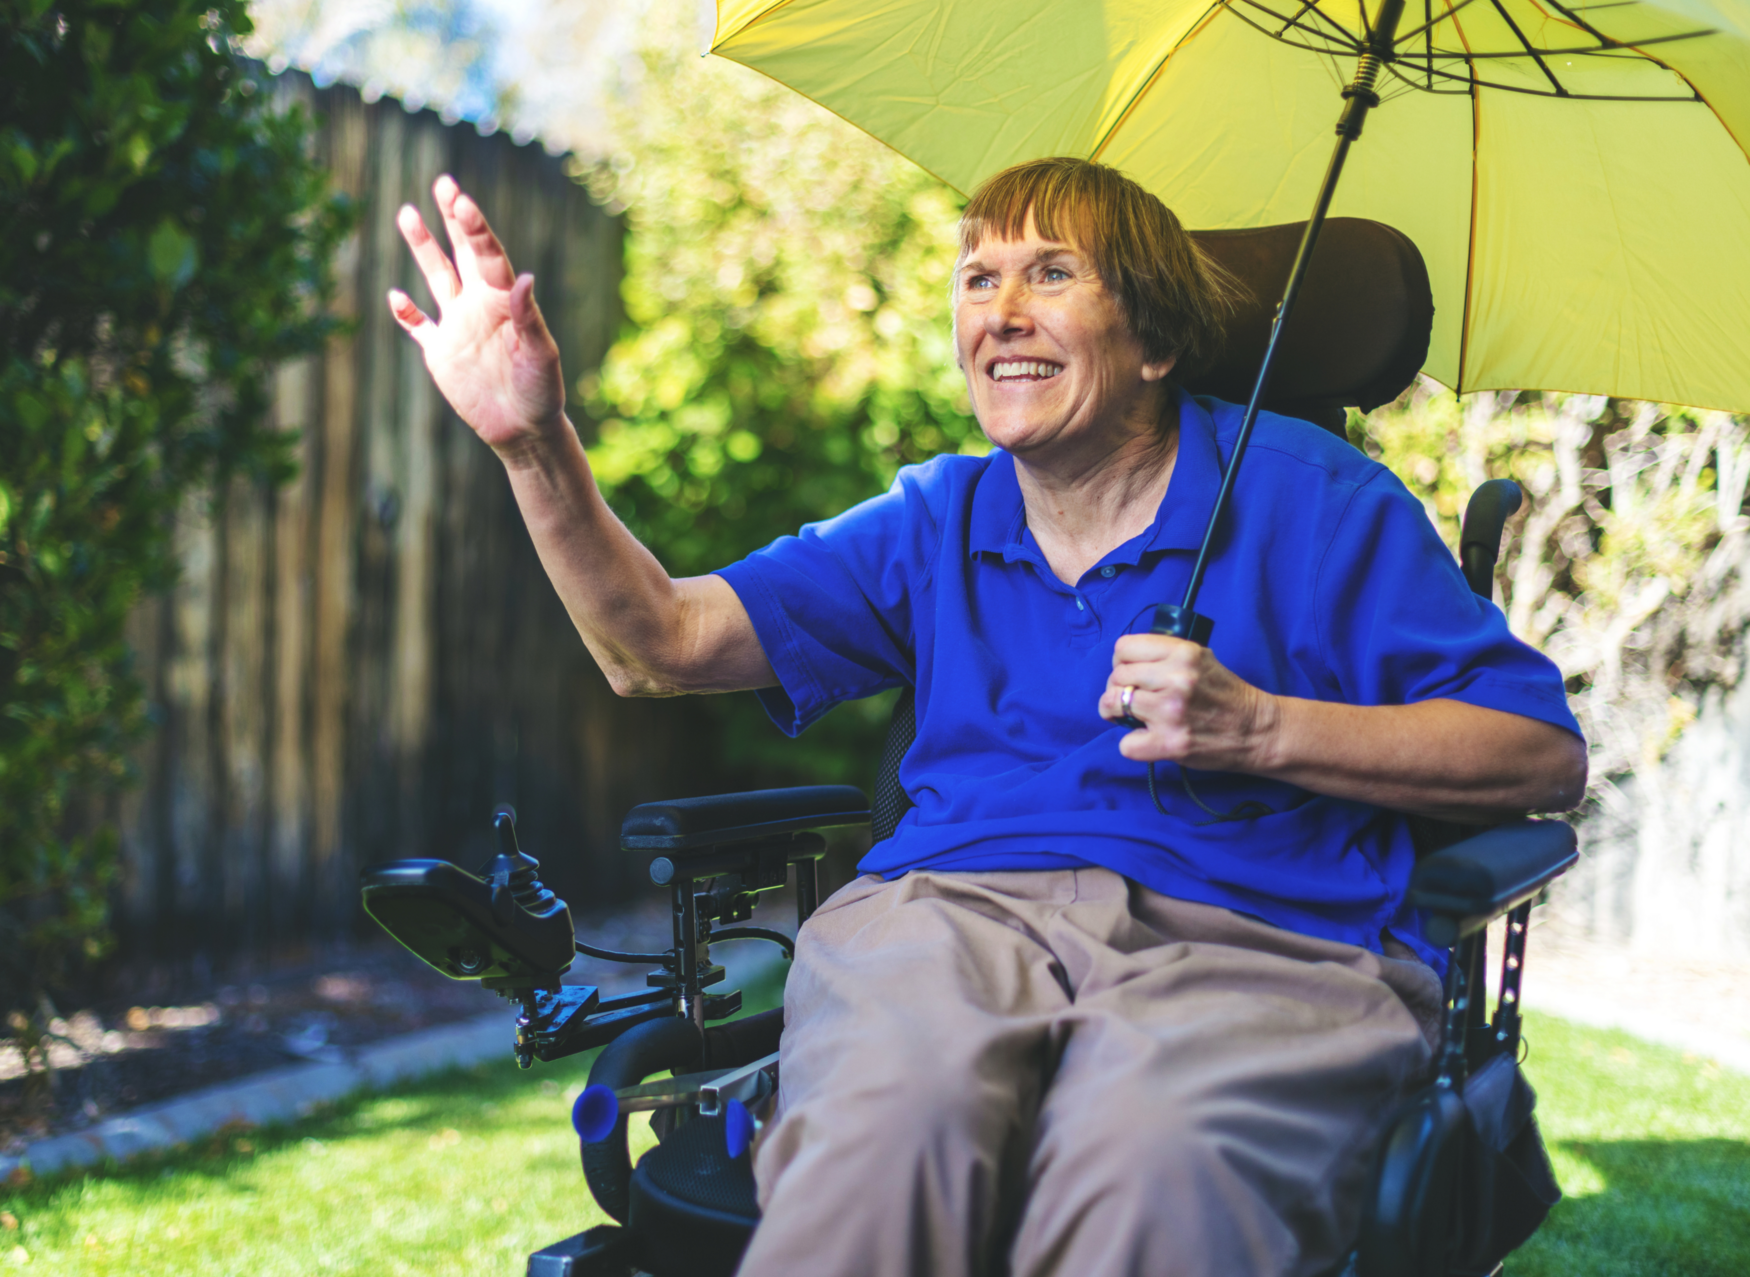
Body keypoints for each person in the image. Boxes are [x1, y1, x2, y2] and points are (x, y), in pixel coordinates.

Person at [389, 157, 1586, 1277]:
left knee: (1150, 1165)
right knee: (886, 1128)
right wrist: (531, 442)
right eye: (977, 278)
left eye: (1051, 273)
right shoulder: (934, 517)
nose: (1000, 311)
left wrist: (1261, 727)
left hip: (1262, 932)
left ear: (1157, 337)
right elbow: (661, 642)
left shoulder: (1317, 503)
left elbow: (1537, 752)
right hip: (948, 914)